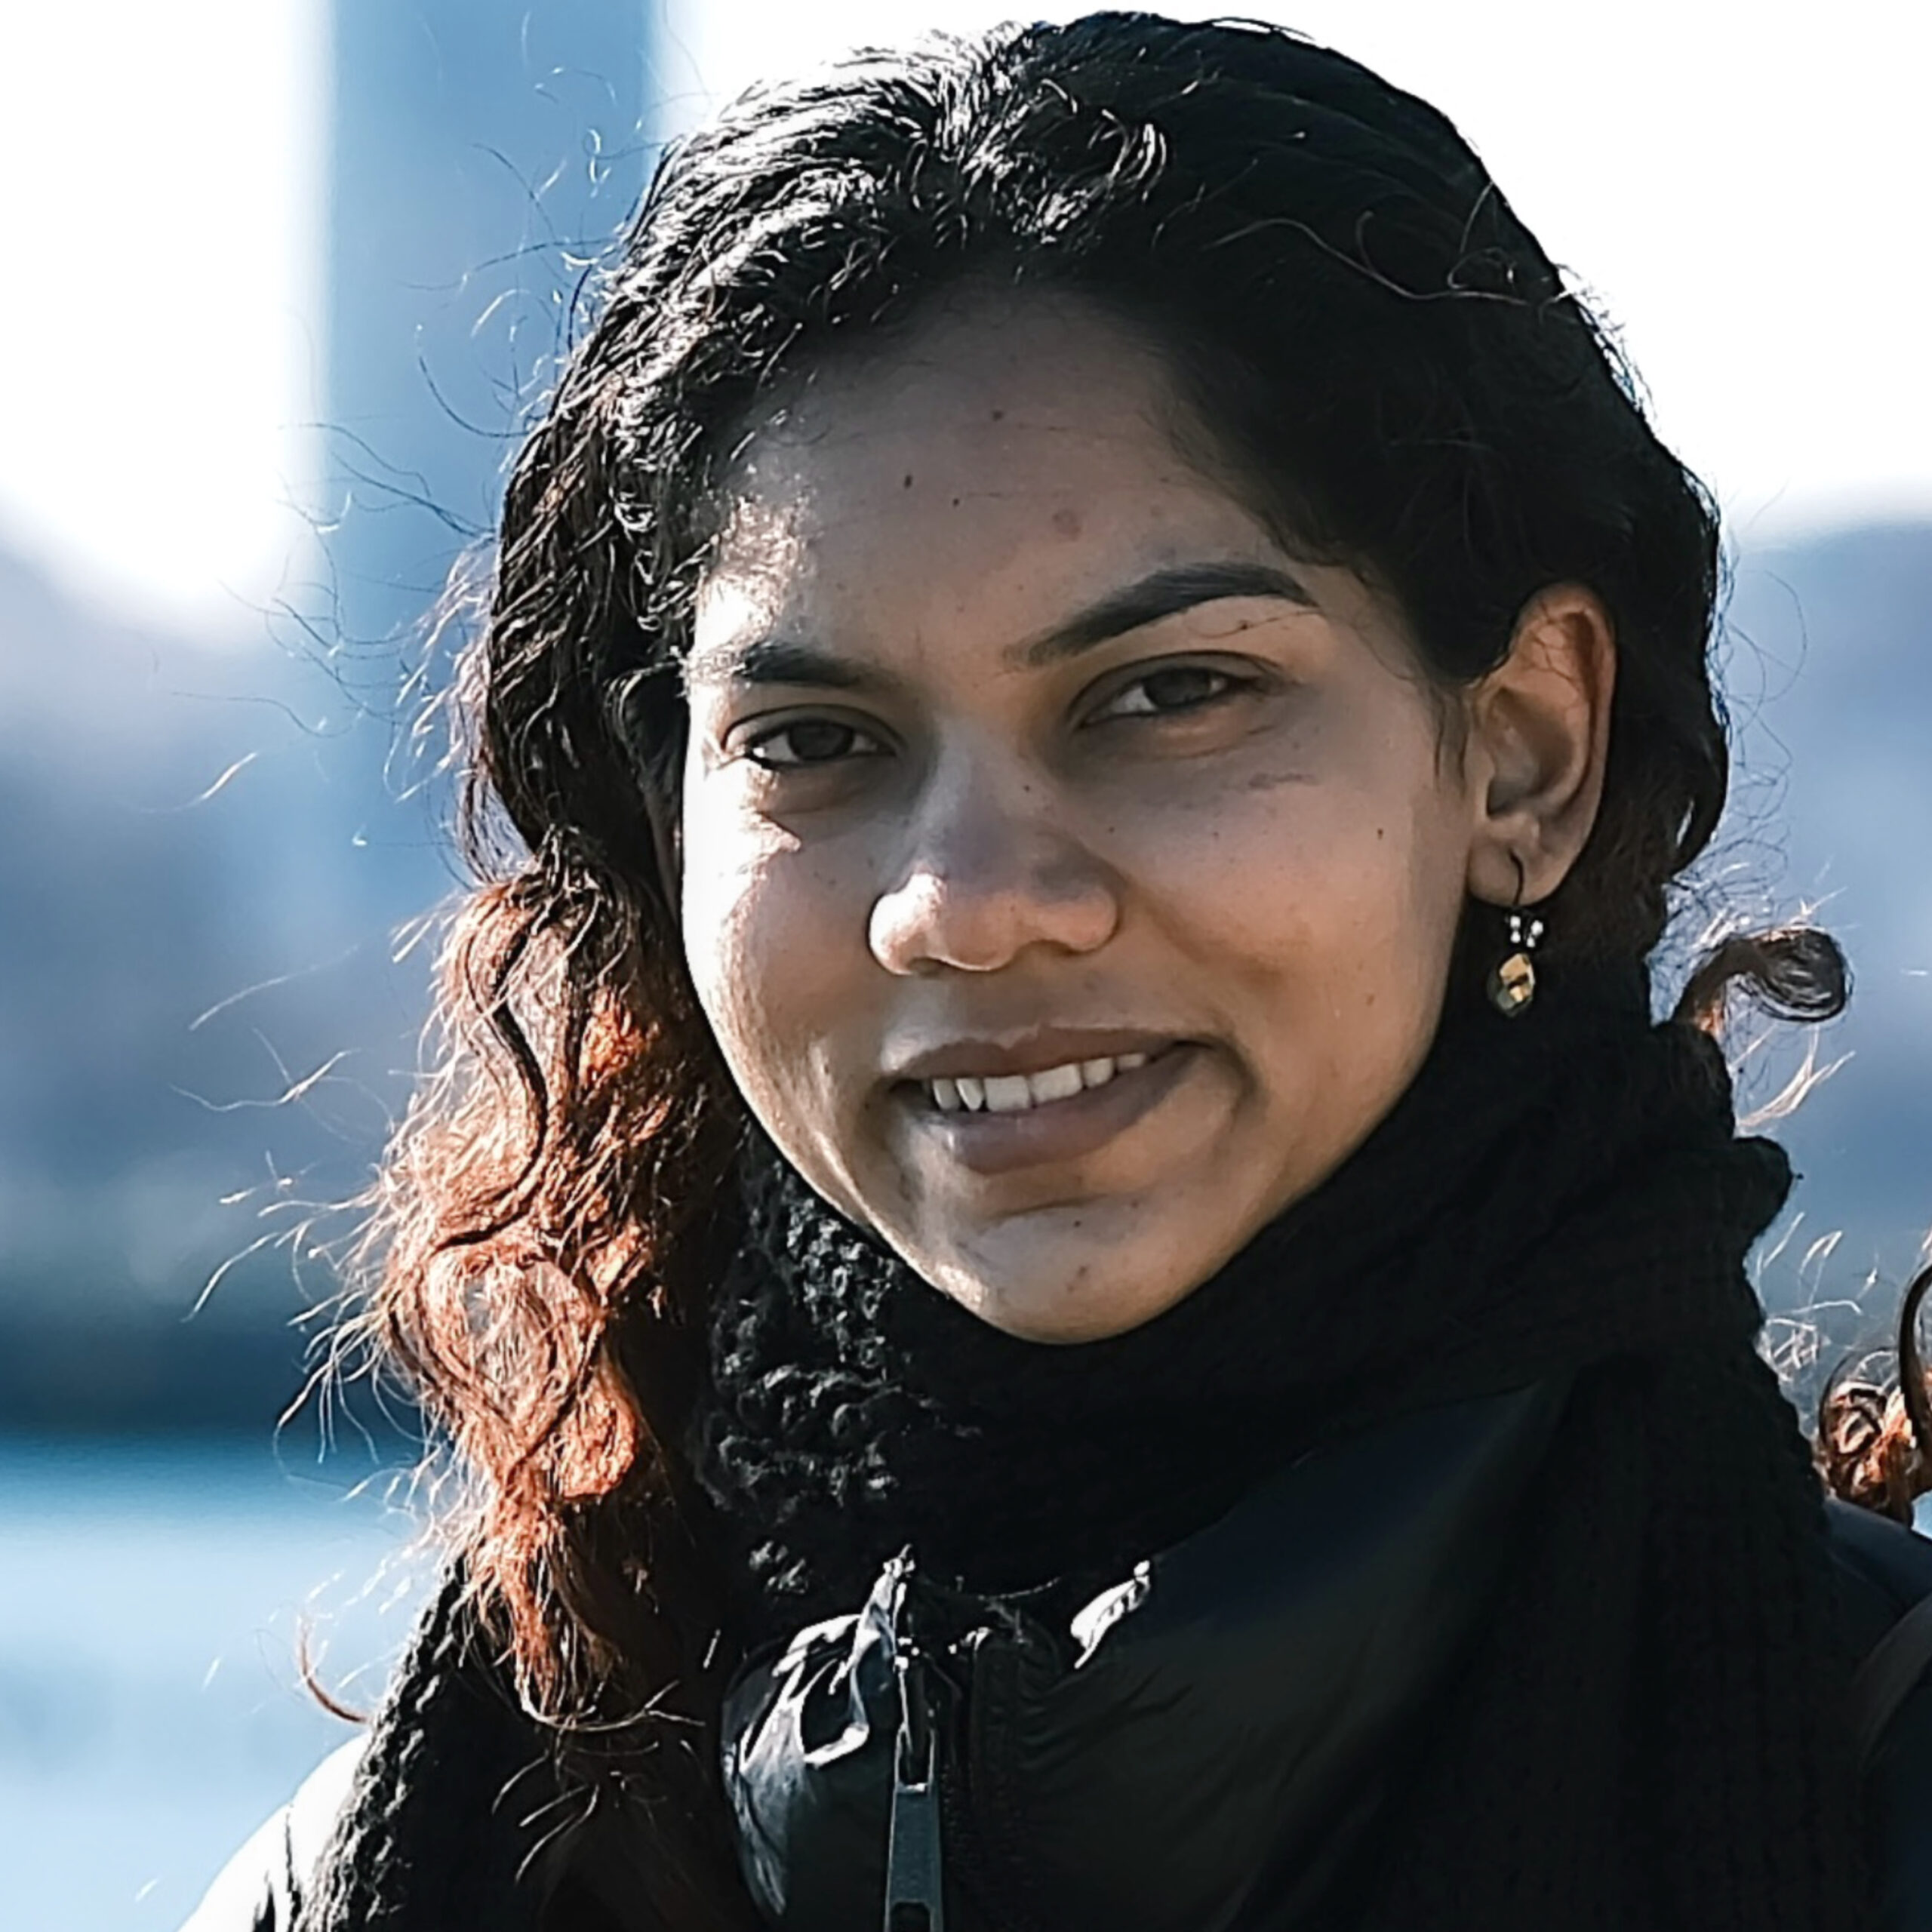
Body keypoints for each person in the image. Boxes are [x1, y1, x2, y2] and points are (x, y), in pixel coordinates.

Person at [184, 14, 1932, 1930]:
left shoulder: (1863, 1779)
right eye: (814, 740)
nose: (963, 904)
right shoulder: (408, 1852)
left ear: (1522, 750)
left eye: (1168, 693)